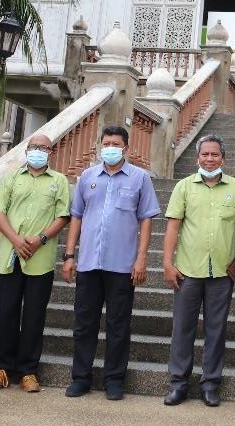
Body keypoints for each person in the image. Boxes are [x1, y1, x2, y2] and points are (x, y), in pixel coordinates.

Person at [62, 124, 160, 401]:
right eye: (106, 144)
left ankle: (114, 380)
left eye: (115, 144)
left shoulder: (140, 179)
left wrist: (141, 259)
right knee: (84, 323)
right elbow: (77, 217)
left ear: (126, 148)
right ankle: (81, 378)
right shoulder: (88, 176)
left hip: (122, 265)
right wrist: (69, 255)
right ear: (100, 146)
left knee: (118, 326)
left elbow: (146, 219)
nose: (110, 148)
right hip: (89, 263)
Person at [162, 134, 235, 408]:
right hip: (188, 270)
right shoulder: (184, 187)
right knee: (183, 329)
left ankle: (210, 384)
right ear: (197, 157)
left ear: (223, 158)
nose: (210, 159)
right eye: (205, 155)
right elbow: (173, 226)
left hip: (222, 274)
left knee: (216, 329)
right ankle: (178, 384)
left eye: (215, 155)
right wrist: (167, 263)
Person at [0, 132, 70, 393]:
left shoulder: (59, 181)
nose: (39, 151)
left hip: (40, 258)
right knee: (6, 312)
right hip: (10, 256)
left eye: (44, 148)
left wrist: (40, 239)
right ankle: (1, 369)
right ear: (26, 150)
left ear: (51, 152)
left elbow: (63, 215)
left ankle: (29, 372)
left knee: (34, 316)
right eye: (34, 147)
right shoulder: (11, 178)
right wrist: (15, 239)